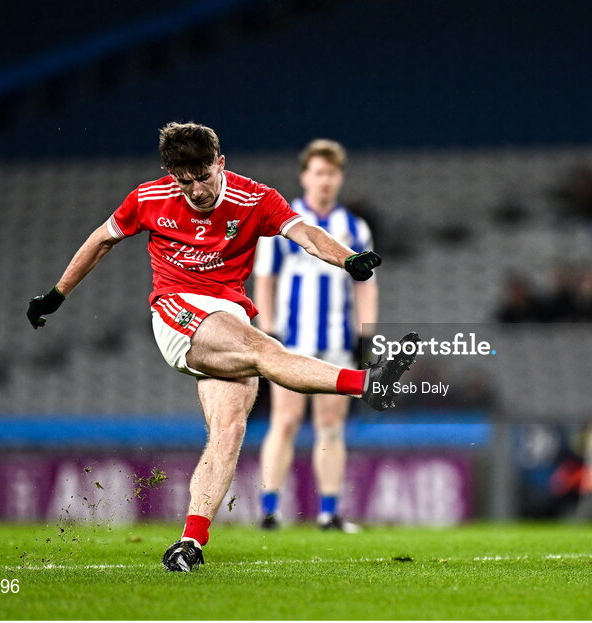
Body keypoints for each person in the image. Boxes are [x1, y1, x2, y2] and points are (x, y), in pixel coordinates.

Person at [26, 122, 421, 572]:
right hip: (178, 311)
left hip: (228, 318)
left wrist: (348, 258)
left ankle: (190, 542)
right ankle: (366, 383)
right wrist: (57, 295)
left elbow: (307, 234)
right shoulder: (148, 198)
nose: (195, 190)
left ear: (221, 163)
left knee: (229, 431)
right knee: (263, 349)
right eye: (184, 180)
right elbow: (101, 240)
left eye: (203, 177)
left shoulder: (255, 198)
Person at [252, 139, 374, 532]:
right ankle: (269, 510)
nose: (325, 181)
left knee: (331, 426)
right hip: (292, 342)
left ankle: (329, 512)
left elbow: (366, 286)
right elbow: (265, 281)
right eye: (318, 172)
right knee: (284, 422)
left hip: (336, 342)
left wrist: (366, 334)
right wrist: (267, 332)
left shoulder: (354, 227)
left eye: (332, 174)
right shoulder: (284, 222)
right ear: (305, 176)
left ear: (340, 178)